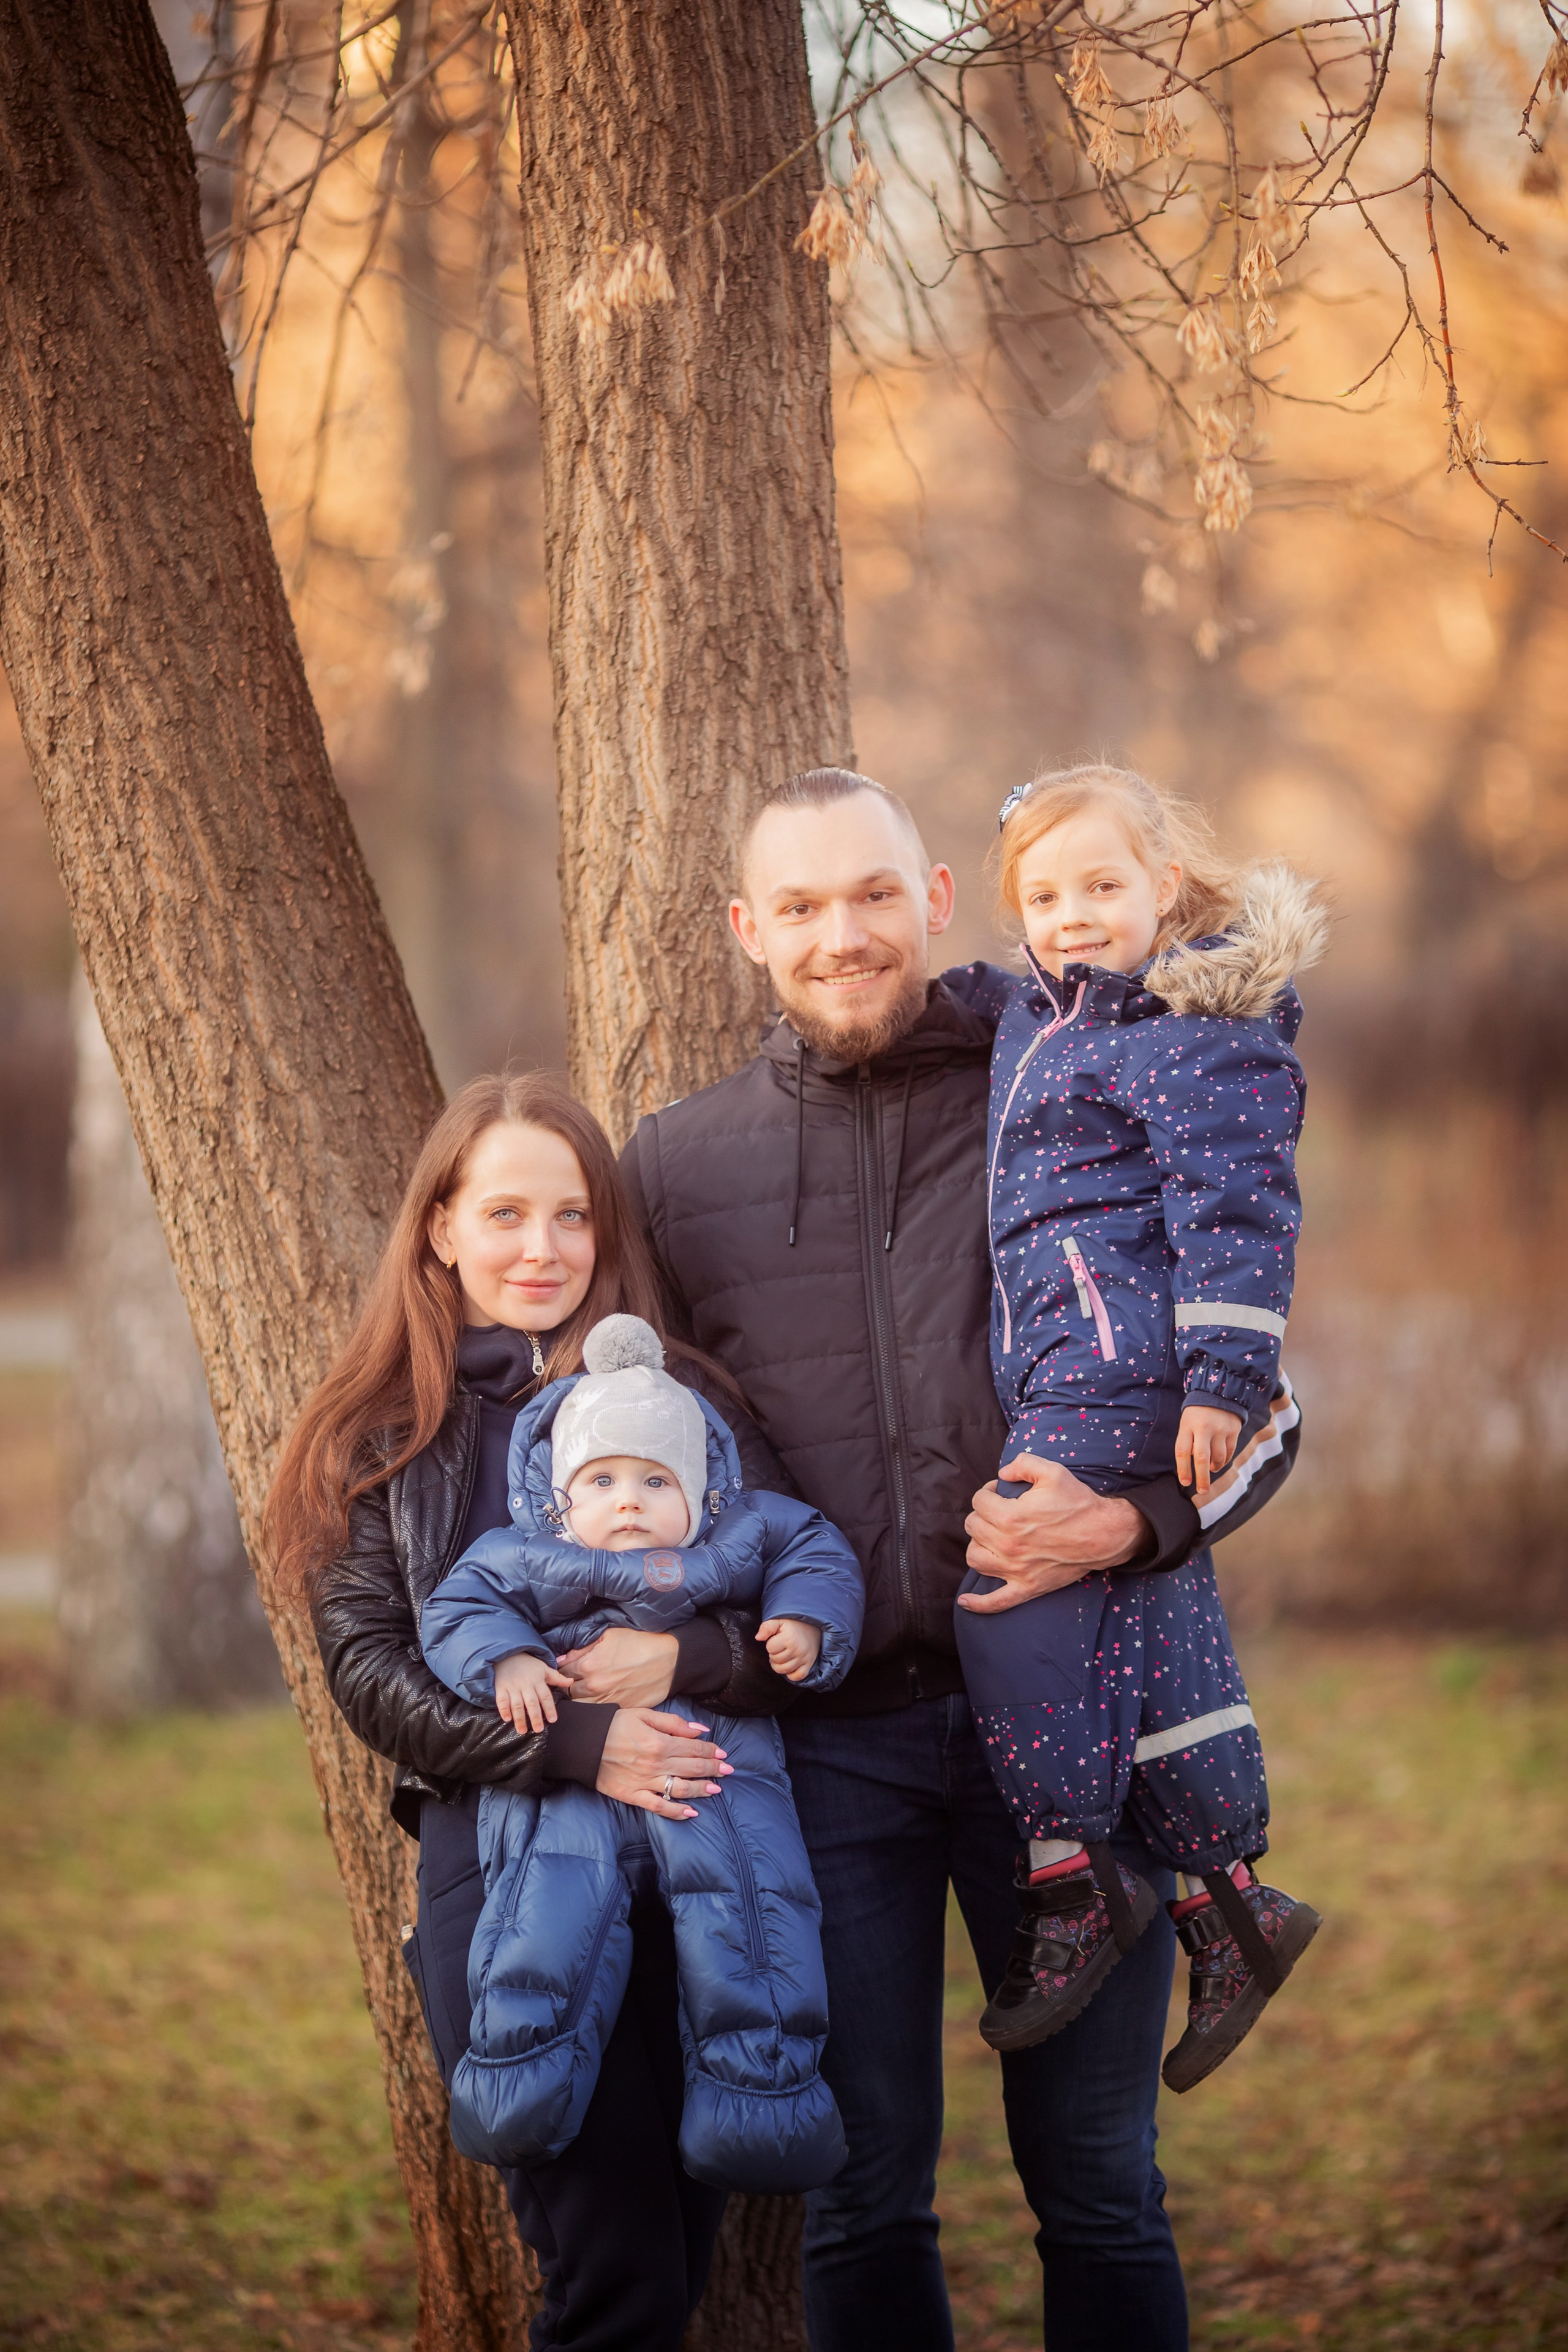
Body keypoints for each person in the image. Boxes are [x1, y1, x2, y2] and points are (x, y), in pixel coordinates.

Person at [620, 766, 1302, 2352]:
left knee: (1102, 2186)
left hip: (1064, 1721)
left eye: (872, 895)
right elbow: (663, 1479)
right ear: (748, 930)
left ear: (935, 898)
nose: (841, 936)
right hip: (825, 1757)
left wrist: (1137, 1520)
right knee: (864, 2195)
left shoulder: (1069, 1063)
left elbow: (1261, 1391)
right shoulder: (678, 1166)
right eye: (799, 906)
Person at [265, 1072, 802, 2352]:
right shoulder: (379, 1435)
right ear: (440, 1228)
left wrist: (691, 1668)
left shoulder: (690, 1409)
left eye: (572, 1217)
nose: (542, 1249)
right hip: (501, 1872)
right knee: (613, 2280)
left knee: (679, 2261)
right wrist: (573, 1744)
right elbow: (370, 1674)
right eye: (505, 1214)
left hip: (701, 1868)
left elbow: (789, 1604)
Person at [948, 763, 1323, 2091]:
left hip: (1117, 1373)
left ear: (1163, 886)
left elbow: (1238, 1207)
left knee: (1005, 1593)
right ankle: (1228, 1902)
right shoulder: (1046, 1021)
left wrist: (1223, 1381)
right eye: (1041, 896)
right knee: (1152, 1634)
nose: (1071, 915)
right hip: (1071, 1361)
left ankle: (1069, 1875)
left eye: (1100, 885)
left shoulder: (1190, 1029)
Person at [419, 1310, 862, 2191]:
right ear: (563, 1497)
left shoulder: (737, 1536)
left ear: (700, 1494)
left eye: (658, 1480)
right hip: (567, 1794)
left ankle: (763, 2111)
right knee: (541, 1934)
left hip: (712, 1765)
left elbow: (817, 1546)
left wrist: (809, 1620)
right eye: (606, 1479)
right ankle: (518, 2091)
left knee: (753, 1920)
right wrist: (505, 1657)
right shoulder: (529, 1553)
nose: (630, 1500)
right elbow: (458, 1606)